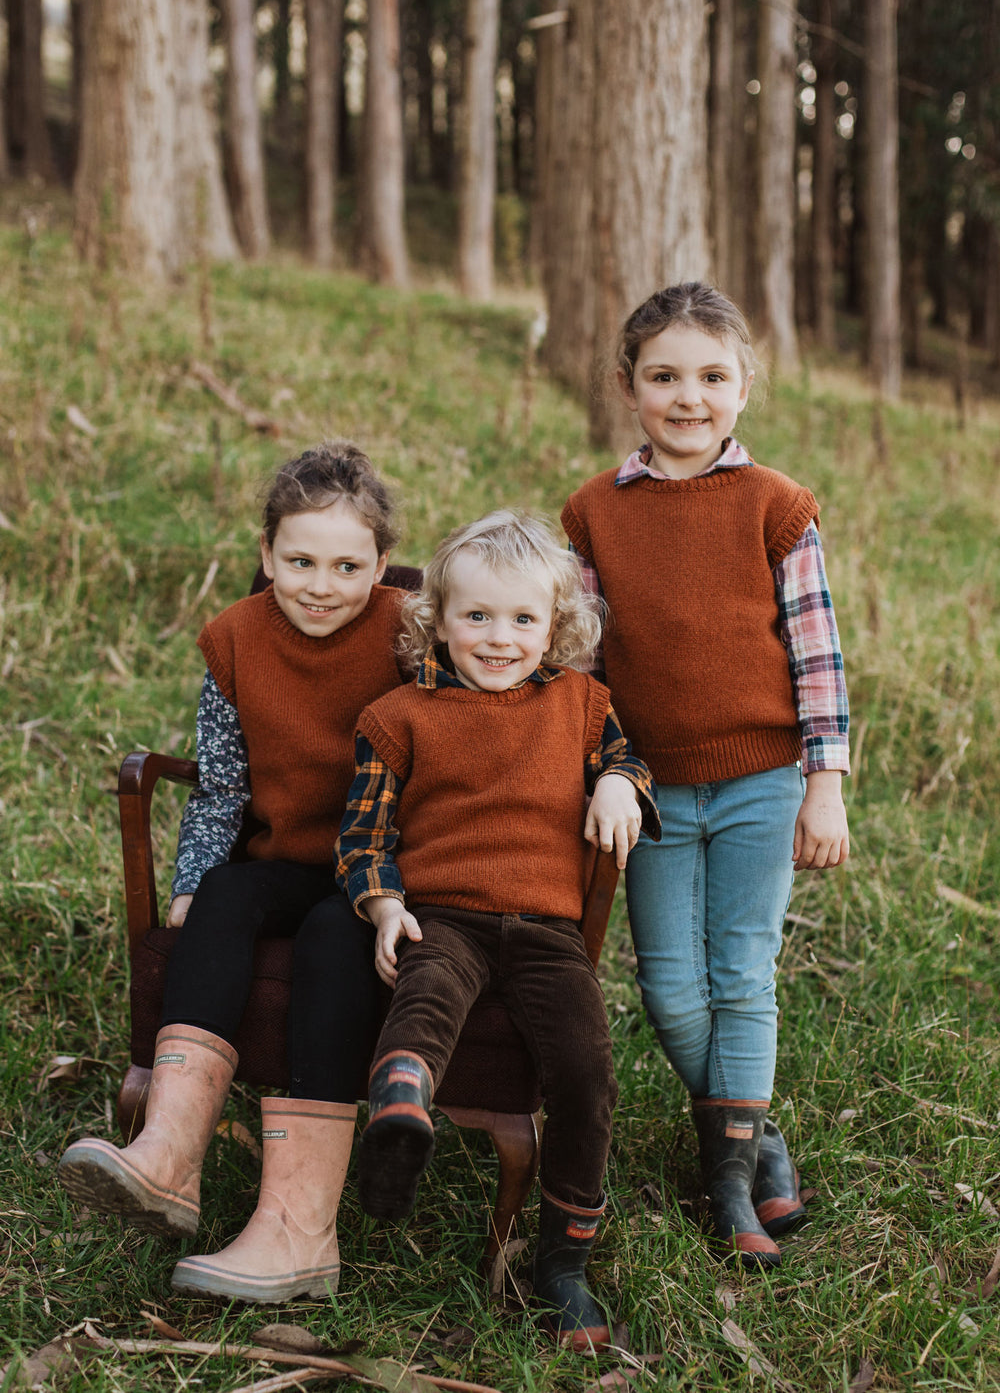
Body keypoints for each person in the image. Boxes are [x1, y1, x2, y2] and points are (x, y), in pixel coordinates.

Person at [59, 439, 408, 1303]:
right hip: (289, 856)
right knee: (222, 890)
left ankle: (300, 1228)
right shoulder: (237, 640)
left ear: (382, 563)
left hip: (386, 870)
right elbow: (221, 782)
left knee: (334, 931)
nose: (320, 584)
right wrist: (189, 880)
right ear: (265, 556)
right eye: (298, 560)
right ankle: (171, 1155)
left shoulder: (412, 633)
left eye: (345, 564)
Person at [561, 283, 850, 1270]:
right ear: (627, 386)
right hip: (646, 788)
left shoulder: (776, 506)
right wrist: (602, 768)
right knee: (670, 992)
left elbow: (816, 654)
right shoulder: (597, 511)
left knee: (741, 971)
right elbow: (585, 665)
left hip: (763, 778)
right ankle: (756, 1134)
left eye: (712, 376)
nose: (689, 397)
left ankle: (726, 1183)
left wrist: (827, 779)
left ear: (743, 388)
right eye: (665, 376)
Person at [337, 511, 659, 1350]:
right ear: (435, 618)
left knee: (587, 1069)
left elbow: (630, 758)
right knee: (425, 990)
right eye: (475, 616)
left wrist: (621, 785)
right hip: (444, 914)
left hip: (548, 932)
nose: (499, 637)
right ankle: (399, 1115)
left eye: (523, 619)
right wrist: (383, 905)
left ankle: (563, 1263)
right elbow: (363, 837)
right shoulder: (396, 715)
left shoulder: (584, 705)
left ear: (555, 627)